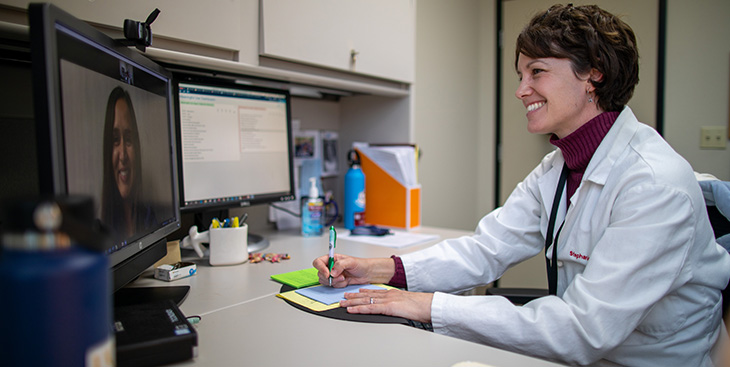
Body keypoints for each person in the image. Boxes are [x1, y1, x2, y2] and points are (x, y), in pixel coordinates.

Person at [313, 4, 730, 366]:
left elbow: (583, 331)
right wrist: (379, 270)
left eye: (537, 72)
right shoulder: (560, 166)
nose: (520, 90)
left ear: (594, 76)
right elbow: (486, 248)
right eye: (520, 74)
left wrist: (428, 305)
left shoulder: (655, 185)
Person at [101, 86, 155, 242]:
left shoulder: (150, 219)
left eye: (129, 139)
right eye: (115, 140)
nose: (123, 155)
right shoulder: (99, 234)